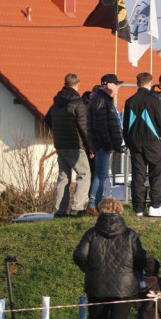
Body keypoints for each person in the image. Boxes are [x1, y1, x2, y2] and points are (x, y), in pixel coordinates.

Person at [73, 197, 149, 319]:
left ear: (100, 211)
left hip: (97, 284)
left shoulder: (91, 234)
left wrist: (86, 268)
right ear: (120, 211)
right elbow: (141, 259)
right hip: (124, 285)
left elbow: (79, 255)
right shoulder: (130, 235)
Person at [45, 73, 94, 217]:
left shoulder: (55, 103)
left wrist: (59, 132)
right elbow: (83, 128)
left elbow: (47, 120)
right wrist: (90, 147)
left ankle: (60, 211)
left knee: (63, 177)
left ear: (65, 84)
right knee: (84, 174)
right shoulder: (78, 104)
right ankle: (77, 208)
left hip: (60, 145)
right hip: (75, 145)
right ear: (78, 84)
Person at [123, 72, 161, 217]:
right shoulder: (155, 100)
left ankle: (138, 209)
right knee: (156, 174)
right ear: (151, 83)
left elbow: (125, 126)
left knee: (138, 176)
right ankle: (154, 206)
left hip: (135, 143)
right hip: (153, 142)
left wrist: (129, 142)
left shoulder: (129, 101)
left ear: (137, 83)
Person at [86, 74, 125, 212]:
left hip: (104, 144)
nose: (118, 87)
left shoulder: (104, 99)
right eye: (116, 84)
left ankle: (94, 204)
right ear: (109, 85)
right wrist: (108, 145)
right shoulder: (101, 101)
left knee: (101, 175)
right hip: (103, 145)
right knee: (100, 175)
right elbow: (101, 126)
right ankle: (93, 205)